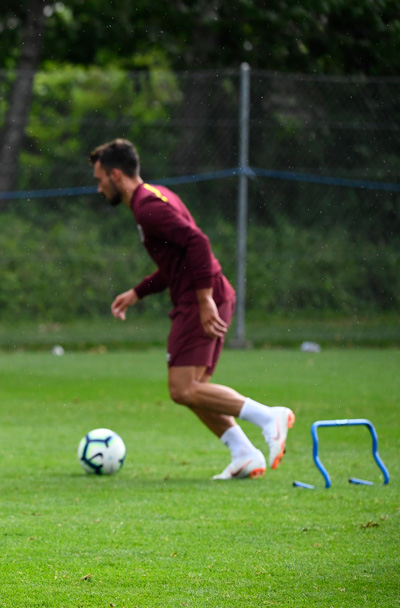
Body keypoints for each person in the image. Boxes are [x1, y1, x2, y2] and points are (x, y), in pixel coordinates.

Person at [89, 138, 294, 480]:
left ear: (116, 175)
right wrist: (138, 292)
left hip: (201, 299)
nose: (98, 189)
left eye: (99, 180)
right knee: (196, 389)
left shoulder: (148, 208)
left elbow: (198, 243)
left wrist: (203, 300)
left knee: (183, 388)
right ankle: (244, 454)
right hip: (207, 293)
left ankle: (268, 417)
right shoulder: (158, 195)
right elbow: (176, 261)